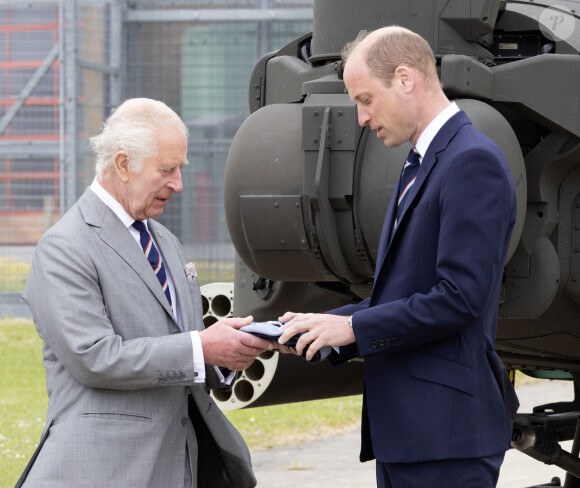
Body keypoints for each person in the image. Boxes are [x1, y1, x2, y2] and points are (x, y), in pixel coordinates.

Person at [278, 26, 519, 488]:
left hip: (446, 438)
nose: (361, 117)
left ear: (405, 80)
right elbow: (407, 294)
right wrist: (324, 324)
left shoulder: (471, 162)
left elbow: (460, 298)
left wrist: (353, 327)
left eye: (365, 99)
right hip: (415, 436)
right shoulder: (424, 162)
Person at [17, 98, 272, 488]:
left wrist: (225, 354)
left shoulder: (165, 241)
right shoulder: (64, 247)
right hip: (104, 470)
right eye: (167, 169)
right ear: (122, 164)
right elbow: (94, 358)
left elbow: (180, 349)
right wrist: (201, 349)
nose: (178, 184)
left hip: (179, 466)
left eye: (180, 169)